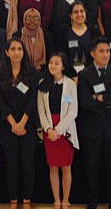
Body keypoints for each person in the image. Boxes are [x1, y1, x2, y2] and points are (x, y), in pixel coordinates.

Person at [77, 38, 111, 209]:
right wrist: (109, 98)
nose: (105, 54)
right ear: (92, 53)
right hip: (91, 130)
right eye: (101, 51)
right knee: (92, 168)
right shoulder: (84, 75)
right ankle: (92, 202)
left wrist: (100, 98)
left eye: (107, 51)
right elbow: (85, 102)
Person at [0, 38, 38, 209]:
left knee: (28, 163)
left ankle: (27, 199)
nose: (17, 52)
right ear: (7, 52)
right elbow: (0, 101)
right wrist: (13, 123)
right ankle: (13, 199)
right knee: (11, 164)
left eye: (20, 49)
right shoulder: (0, 73)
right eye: (13, 49)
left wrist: (22, 122)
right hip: (7, 124)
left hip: (28, 124)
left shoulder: (31, 73)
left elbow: (33, 99)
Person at [37, 52, 79, 209]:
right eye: (50, 63)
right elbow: (41, 110)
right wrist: (49, 129)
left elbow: (73, 111)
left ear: (63, 66)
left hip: (65, 130)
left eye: (56, 63)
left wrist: (59, 130)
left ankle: (66, 199)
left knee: (66, 167)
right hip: (49, 130)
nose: (52, 65)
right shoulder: (43, 84)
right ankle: (56, 200)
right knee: (53, 166)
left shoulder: (70, 84)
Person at [64, 1, 93, 76]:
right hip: (69, 74)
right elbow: (63, 56)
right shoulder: (64, 33)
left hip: (89, 73)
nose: (79, 14)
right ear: (71, 15)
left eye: (82, 11)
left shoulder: (93, 31)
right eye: (76, 12)